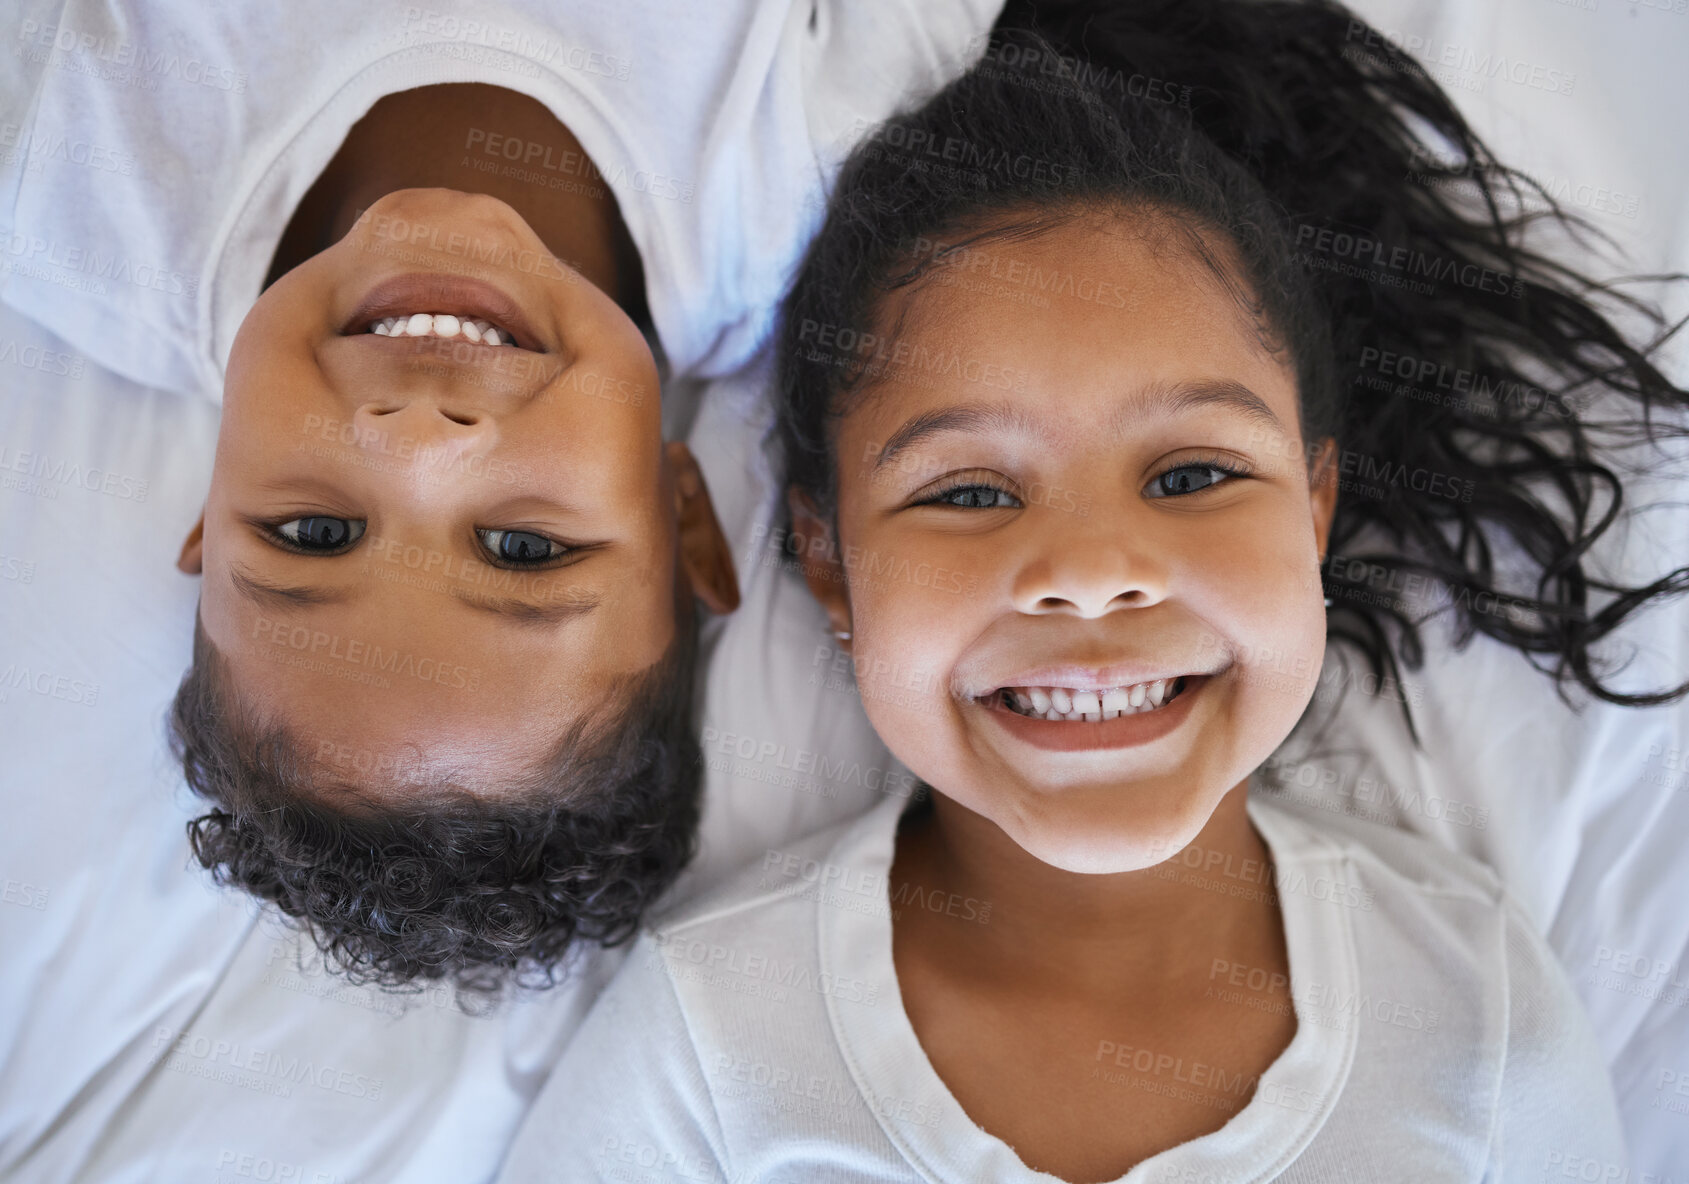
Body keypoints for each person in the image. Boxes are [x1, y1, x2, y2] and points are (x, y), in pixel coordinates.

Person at [493, 0, 1689, 1178]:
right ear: (828, 562)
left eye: (1194, 472)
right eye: (966, 491)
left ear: (1313, 513)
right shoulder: (707, 1046)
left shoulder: (1478, 1019)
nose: (1089, 575)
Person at [0, 1, 998, 995]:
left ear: (208, 522)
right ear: (686, 510)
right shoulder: (817, 190)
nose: (418, 442)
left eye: (315, 532)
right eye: (524, 548)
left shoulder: (69, 180)